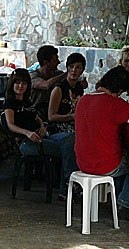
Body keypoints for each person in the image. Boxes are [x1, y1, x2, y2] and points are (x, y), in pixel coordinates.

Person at [74, 66, 129, 221]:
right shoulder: (114, 103)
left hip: (82, 163)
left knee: (122, 156)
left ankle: (117, 197)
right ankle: (126, 203)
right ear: (119, 90)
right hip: (106, 165)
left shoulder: (83, 100)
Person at [3, 68, 74, 195]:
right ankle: (67, 188)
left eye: (24, 83)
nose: (20, 86)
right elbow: (10, 125)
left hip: (41, 136)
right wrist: (27, 133)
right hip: (27, 142)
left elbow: (37, 118)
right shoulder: (10, 103)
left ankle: (67, 184)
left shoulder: (27, 102)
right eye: (17, 82)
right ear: (12, 84)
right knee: (67, 150)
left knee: (69, 139)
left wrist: (42, 126)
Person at [47, 52, 84, 198]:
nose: (74, 70)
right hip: (57, 129)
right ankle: (67, 187)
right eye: (72, 67)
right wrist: (71, 117)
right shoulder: (59, 89)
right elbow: (51, 116)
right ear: (67, 68)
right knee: (72, 141)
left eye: (78, 67)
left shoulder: (79, 89)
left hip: (74, 127)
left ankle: (82, 182)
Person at [29, 45, 66, 119]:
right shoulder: (33, 75)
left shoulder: (57, 74)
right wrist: (66, 74)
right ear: (46, 62)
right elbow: (46, 85)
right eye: (55, 60)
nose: (58, 62)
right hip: (36, 115)